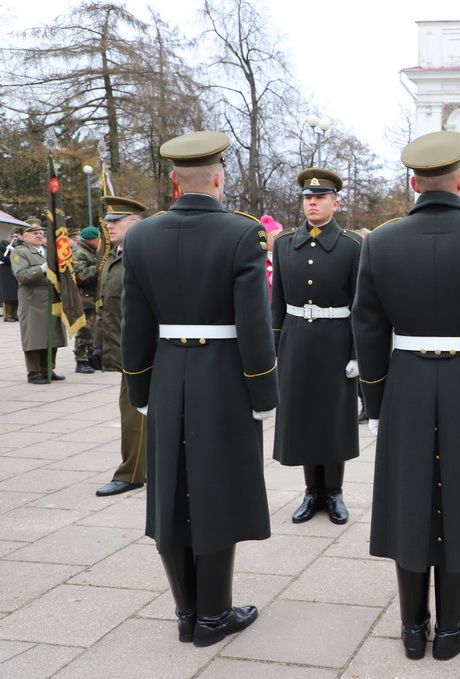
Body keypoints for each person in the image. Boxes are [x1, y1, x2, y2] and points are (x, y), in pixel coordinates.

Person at [353, 130, 460, 662]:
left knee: (410, 500)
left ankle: (413, 628)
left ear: (413, 183)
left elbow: (368, 330)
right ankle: (450, 629)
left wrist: (375, 403)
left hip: (406, 382)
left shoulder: (380, 242)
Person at [121, 131, 278, 646]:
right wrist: (264, 395)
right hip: (223, 377)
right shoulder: (243, 233)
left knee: (170, 491)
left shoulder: (141, 236)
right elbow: (254, 325)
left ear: (173, 181)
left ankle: (187, 613)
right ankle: (214, 615)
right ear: (217, 179)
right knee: (217, 490)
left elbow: (134, 323)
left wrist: (140, 389)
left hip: (168, 372)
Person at [271, 168, 362, 525]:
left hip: (336, 342)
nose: (312, 202)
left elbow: (360, 305)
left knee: (333, 418)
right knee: (304, 417)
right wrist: (274, 348)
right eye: (308, 197)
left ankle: (334, 492)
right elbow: (277, 303)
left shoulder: (352, 245)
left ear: (335, 203)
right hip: (296, 341)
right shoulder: (284, 243)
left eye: (320, 197)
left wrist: (356, 353)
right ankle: (312, 491)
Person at [93, 196, 148, 496]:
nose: (109, 226)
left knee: (134, 412)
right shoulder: (114, 256)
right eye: (108, 221)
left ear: (136, 223)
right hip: (122, 345)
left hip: (142, 347)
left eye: (116, 221)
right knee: (134, 410)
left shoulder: (142, 256)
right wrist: (99, 345)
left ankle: (132, 473)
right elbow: (106, 307)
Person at [10, 221, 68, 384]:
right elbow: (21, 276)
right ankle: (34, 373)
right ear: (25, 236)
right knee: (34, 337)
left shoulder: (48, 251)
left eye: (41, 232)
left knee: (52, 335)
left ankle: (48, 369)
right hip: (33, 300)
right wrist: (42, 269)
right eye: (34, 233)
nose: (39, 235)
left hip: (51, 298)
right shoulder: (20, 252)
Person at [70, 225, 101, 374]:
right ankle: (81, 360)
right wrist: (99, 267)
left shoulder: (92, 252)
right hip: (85, 299)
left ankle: (91, 358)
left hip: (94, 297)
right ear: (93, 240)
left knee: (93, 331)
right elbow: (80, 276)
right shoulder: (79, 252)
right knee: (85, 331)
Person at [0, 226, 24, 321]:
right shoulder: (1, 245)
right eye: (10, 236)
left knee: (15, 293)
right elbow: (2, 258)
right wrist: (13, 258)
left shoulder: (14, 245)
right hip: (5, 271)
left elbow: (18, 257)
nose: (12, 237)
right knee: (7, 294)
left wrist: (14, 253)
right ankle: (8, 315)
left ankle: (14, 314)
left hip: (13, 269)